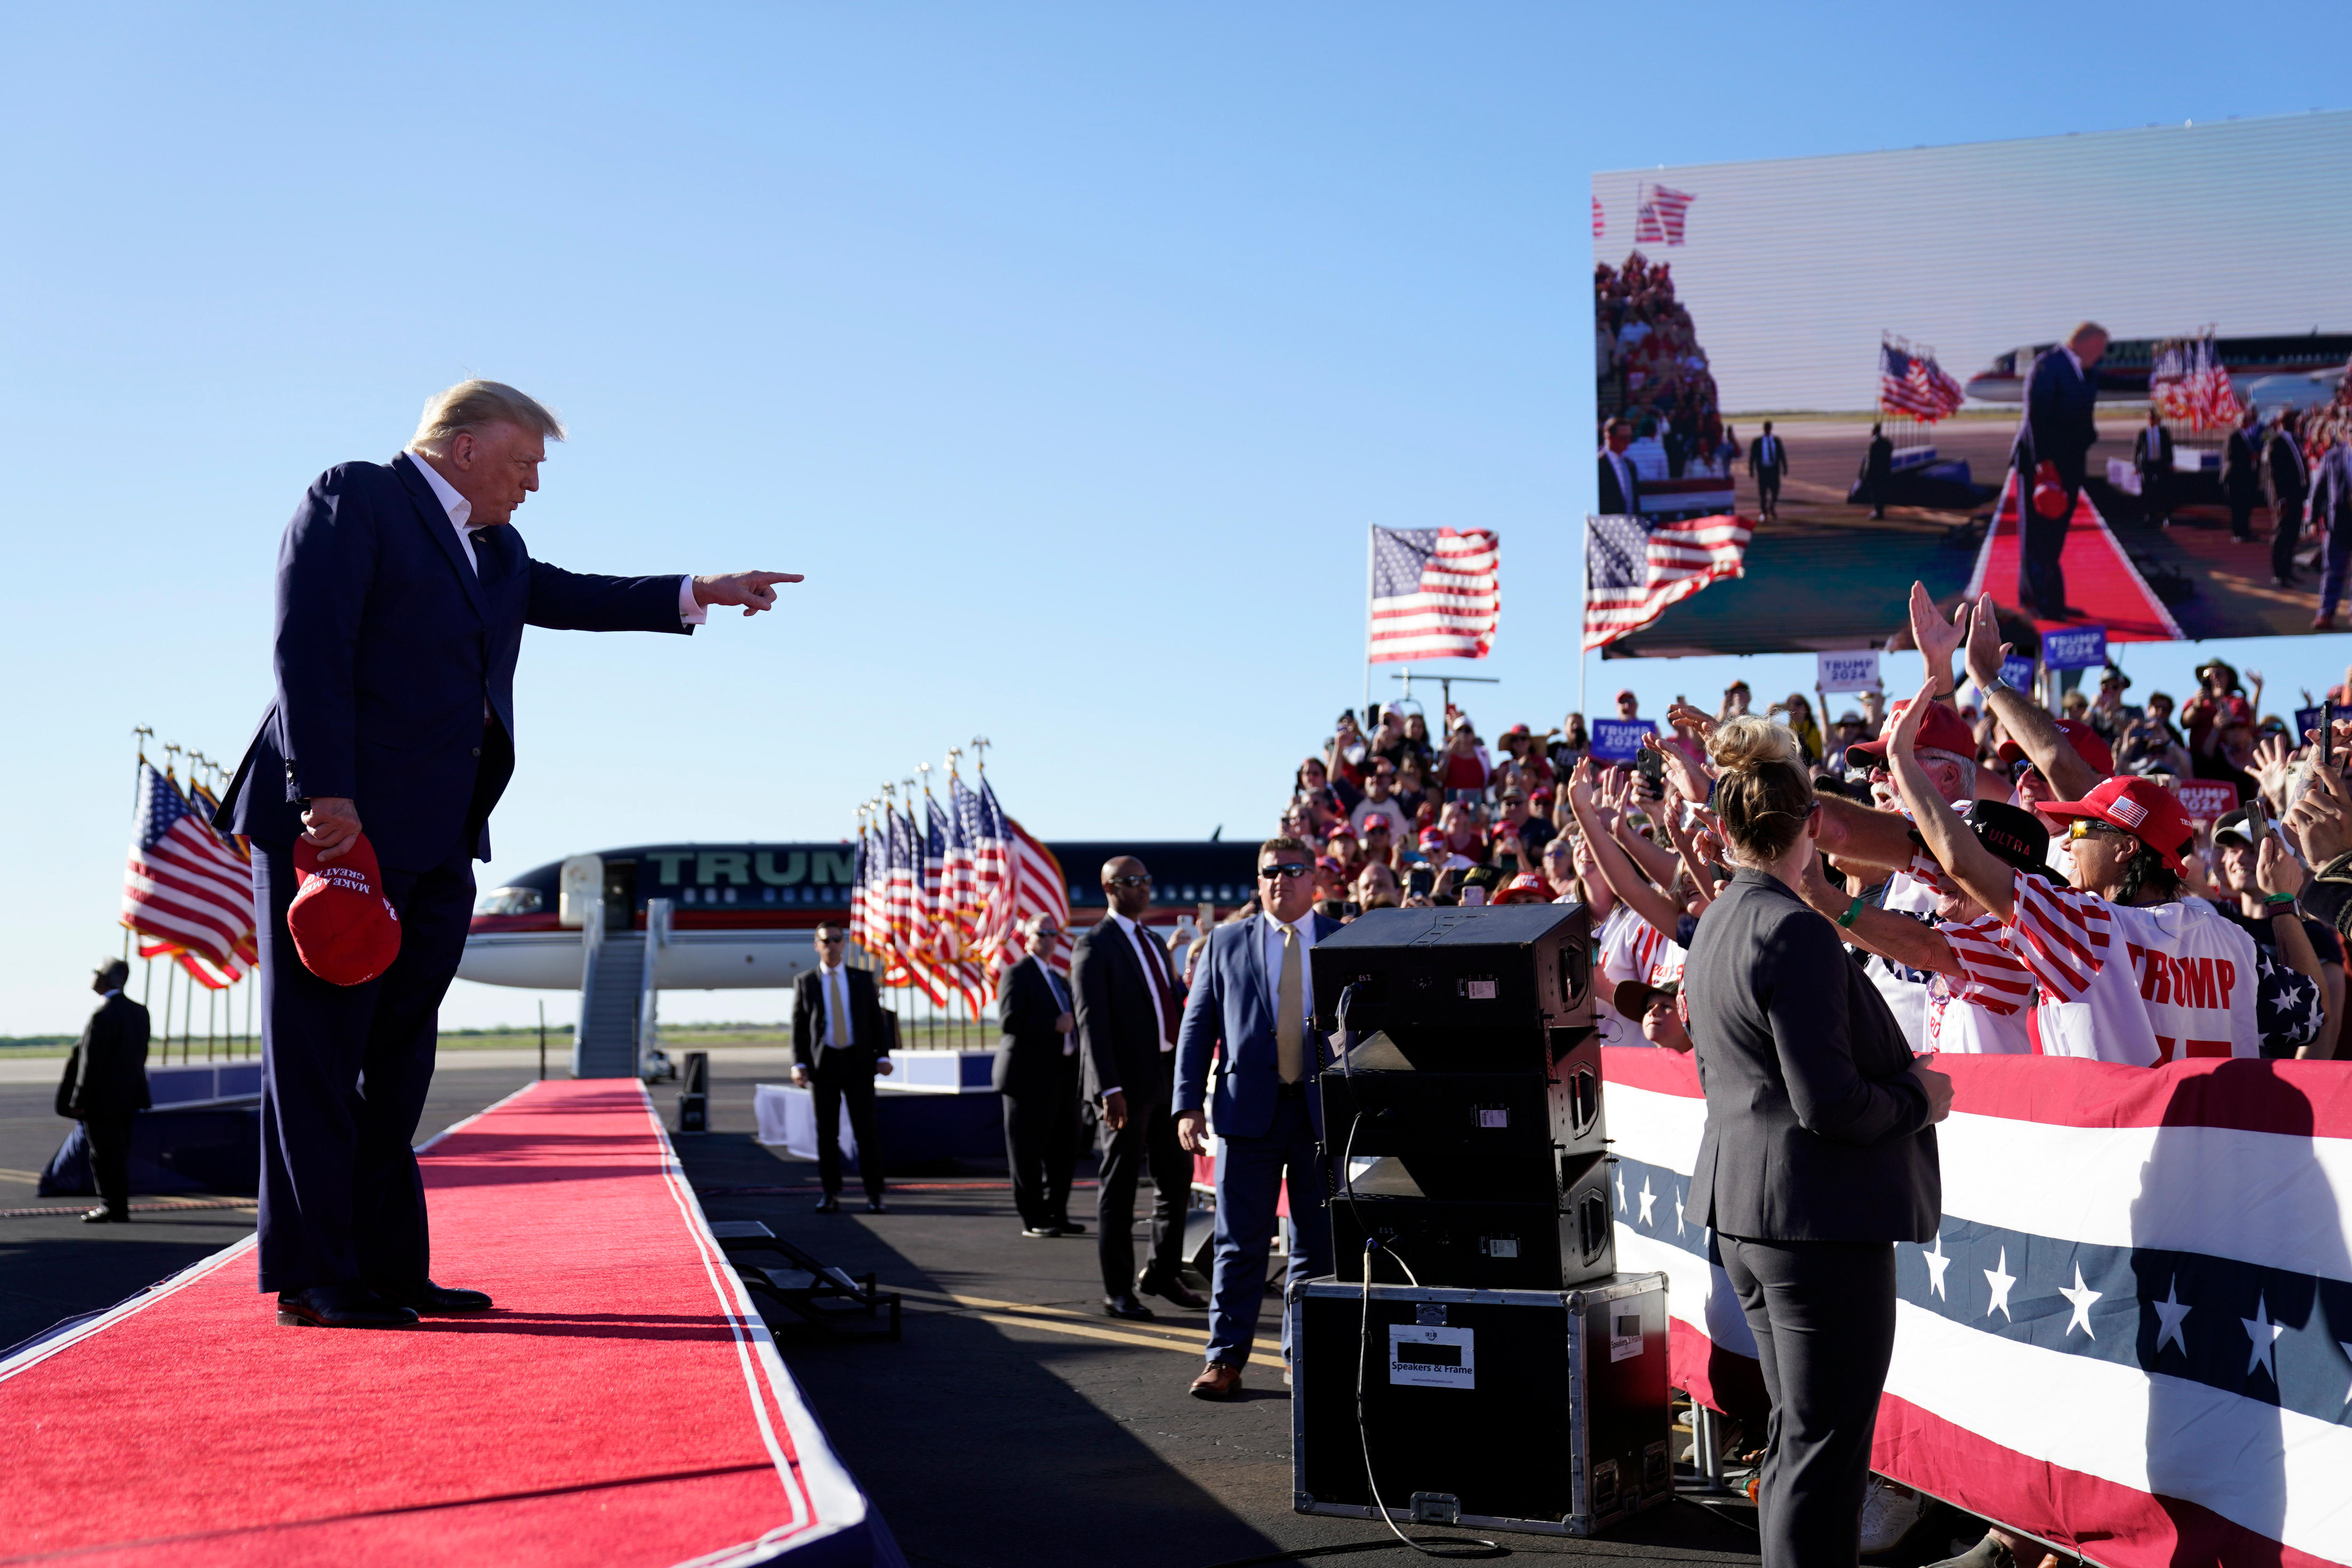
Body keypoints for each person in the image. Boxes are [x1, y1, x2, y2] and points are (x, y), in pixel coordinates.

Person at [215, 379, 799, 1330]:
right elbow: (309, 646)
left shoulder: (497, 548)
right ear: (464, 445)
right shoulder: (358, 495)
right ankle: (316, 1276)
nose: (533, 483)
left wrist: (700, 591)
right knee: (320, 1060)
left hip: (442, 835)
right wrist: (324, 794)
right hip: (340, 825)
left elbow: (568, 595)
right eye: (524, 462)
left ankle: (393, 1266)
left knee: (396, 1066)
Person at [1681, 715, 1951, 1568]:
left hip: (1755, 1217)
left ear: (1727, 827)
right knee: (1824, 1448)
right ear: (1810, 826)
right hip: (1814, 1225)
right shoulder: (1791, 927)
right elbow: (1829, 1102)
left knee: (1802, 1441)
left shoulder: (1724, 915)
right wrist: (1921, 1096)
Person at [1174, 837, 1341, 1399]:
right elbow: (1196, 1028)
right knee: (1238, 1242)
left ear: (1313, 878)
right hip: (1247, 1116)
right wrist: (1187, 1104)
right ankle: (1224, 1359)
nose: (1280, 880)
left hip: (1321, 1117)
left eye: (1293, 870)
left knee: (1316, 1246)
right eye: (1270, 871)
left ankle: (1305, 1355)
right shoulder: (1225, 942)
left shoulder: (1343, 940)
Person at [1073, 856, 1204, 1321]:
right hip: (1124, 1090)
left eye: (1147, 880)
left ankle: (1161, 1273)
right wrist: (1108, 1089)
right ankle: (1117, 1291)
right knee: (1121, 1189)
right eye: (1133, 882)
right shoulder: (1093, 946)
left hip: (1166, 1079)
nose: (1145, 888)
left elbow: (1169, 1003)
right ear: (1110, 888)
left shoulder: (1151, 941)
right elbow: (1092, 1027)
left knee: (1176, 1181)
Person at [792, 922, 895, 1213]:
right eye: (826, 941)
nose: (832, 945)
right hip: (823, 1067)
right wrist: (799, 1063)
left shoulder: (862, 979)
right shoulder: (806, 981)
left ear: (844, 944)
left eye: (837, 940)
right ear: (817, 946)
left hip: (859, 1064)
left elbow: (877, 1022)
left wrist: (883, 1056)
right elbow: (799, 1026)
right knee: (827, 1134)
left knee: (867, 1133)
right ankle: (831, 1193)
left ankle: (874, 1195)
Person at [994, 915, 1084, 1236]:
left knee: (1064, 1151)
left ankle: (1057, 1213)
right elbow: (1010, 1020)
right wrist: (1052, 1025)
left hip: (1062, 1078)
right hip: (1027, 1078)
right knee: (1028, 1152)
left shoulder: (1060, 979)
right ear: (1027, 938)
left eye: (1053, 933)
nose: (1048, 939)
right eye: (1041, 933)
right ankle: (1034, 1219)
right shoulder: (1017, 974)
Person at [2013, 322, 2107, 619]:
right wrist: (2045, 465)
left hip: (2068, 465)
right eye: (2101, 347)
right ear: (2087, 343)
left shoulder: (2084, 369)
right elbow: (2036, 417)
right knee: (2040, 537)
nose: (2103, 354)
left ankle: (2046, 600)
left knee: (2053, 538)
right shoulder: (2048, 365)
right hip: (2045, 467)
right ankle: (2042, 604)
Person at [57, 958, 151, 1224]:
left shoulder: (103, 1014)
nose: (93, 977)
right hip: (128, 1097)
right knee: (118, 1153)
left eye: (97, 972)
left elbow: (91, 1064)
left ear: (107, 979)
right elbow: (139, 1056)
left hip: (102, 1101)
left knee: (103, 1155)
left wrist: (79, 1100)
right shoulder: (139, 1011)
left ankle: (112, 1207)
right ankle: (117, 1206)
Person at [2311, 429, 2352, 631]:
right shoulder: (2333, 457)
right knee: (2332, 570)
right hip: (2338, 525)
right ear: (2346, 435)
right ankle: (2325, 614)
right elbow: (2318, 489)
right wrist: (2312, 520)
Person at [2265, 407, 2310, 589]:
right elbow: (2273, 474)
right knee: (2282, 534)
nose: (2297, 422)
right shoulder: (2276, 442)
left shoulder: (2295, 439)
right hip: (2284, 497)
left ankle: (2288, 570)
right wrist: (2280, 499)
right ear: (2283, 422)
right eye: (2292, 419)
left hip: (2297, 494)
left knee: (2293, 534)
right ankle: (2278, 573)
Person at [2223, 404, 2263, 542]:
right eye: (2244, 420)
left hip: (2245, 476)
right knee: (2237, 507)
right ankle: (2238, 533)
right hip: (2236, 477)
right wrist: (2249, 457)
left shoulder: (2246, 436)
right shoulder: (2234, 436)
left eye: (2247, 420)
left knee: (2245, 506)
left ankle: (2245, 531)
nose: (2246, 423)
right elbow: (2231, 456)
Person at [2133, 408, 2175, 526]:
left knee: (2164, 489)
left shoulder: (2163, 432)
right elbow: (2137, 450)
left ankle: (2167, 515)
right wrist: (2136, 465)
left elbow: (2169, 448)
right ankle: (2150, 515)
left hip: (2161, 464)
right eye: (2149, 418)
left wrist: (2171, 463)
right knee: (2148, 490)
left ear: (2157, 420)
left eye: (2153, 418)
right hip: (2148, 465)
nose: (2151, 420)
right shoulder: (2143, 433)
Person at [1598, 417, 1641, 514]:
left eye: (1630, 437)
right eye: (1623, 438)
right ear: (1609, 437)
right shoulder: (1599, 465)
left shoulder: (1630, 465)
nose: (1628, 442)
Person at [1748, 419, 1788, 520]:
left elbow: (1782, 455)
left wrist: (1785, 467)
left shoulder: (1776, 441)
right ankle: (1764, 512)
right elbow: (1752, 457)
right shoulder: (1757, 442)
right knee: (1763, 493)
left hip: (1774, 470)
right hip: (1763, 471)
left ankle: (1772, 506)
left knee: (1776, 490)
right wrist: (1751, 470)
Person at [1859, 422, 1894, 520]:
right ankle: (1880, 511)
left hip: (1876, 473)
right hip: (1885, 471)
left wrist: (1865, 474)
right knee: (1882, 492)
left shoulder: (1874, 443)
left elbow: (1871, 461)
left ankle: (1879, 513)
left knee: (1876, 493)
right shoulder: (1887, 442)